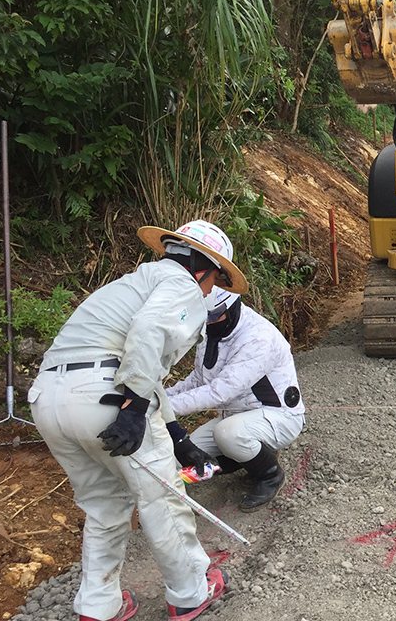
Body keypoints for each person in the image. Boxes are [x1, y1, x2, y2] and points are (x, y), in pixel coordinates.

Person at [28, 220, 247, 621]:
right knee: (161, 498)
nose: (211, 291)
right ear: (204, 268)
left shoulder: (131, 284)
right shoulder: (182, 285)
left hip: (48, 400)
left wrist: (177, 437)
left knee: (104, 505)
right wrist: (132, 411)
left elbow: (139, 363)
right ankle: (191, 592)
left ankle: (99, 607)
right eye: (215, 281)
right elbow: (148, 334)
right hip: (105, 397)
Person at [164, 286, 305, 512]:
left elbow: (219, 391)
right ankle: (248, 458)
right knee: (186, 454)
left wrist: (163, 408)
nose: (208, 322)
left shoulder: (257, 338)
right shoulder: (211, 331)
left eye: (212, 316)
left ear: (231, 308)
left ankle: (270, 474)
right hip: (235, 416)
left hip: (279, 417)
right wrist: (160, 396)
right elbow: (198, 380)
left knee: (228, 434)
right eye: (203, 316)